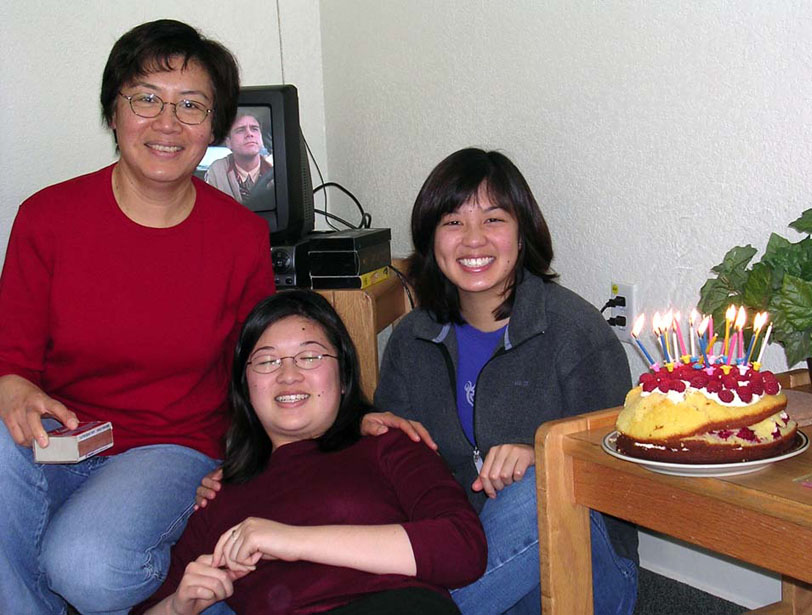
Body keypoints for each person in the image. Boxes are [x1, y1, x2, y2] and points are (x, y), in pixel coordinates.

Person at [0, 19, 274, 615]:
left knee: (89, 570)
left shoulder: (239, 237)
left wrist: (244, 460)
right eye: (146, 98)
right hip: (60, 433)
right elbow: (12, 358)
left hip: (170, 446)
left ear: (215, 127)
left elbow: (261, 369)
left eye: (191, 105)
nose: (167, 123)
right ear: (114, 112)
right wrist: (14, 386)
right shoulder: (47, 217)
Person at [367, 148, 639, 614]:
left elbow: (624, 472)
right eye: (453, 222)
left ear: (521, 233)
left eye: (493, 219)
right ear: (431, 239)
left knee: (535, 492)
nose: (474, 240)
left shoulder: (575, 330)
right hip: (459, 554)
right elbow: (393, 468)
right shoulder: (413, 337)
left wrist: (544, 456)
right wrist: (371, 435)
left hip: (585, 573)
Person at [135, 290, 486, 615]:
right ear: (245, 386)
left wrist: (288, 539)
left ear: (343, 375)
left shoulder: (386, 443)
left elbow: (462, 548)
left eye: (310, 356)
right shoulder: (220, 495)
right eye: (267, 361)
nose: (288, 375)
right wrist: (177, 607)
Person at [204, 112, 276, 224]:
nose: (249, 134)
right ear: (229, 143)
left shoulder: (275, 171)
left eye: (254, 129)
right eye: (241, 130)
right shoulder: (217, 170)